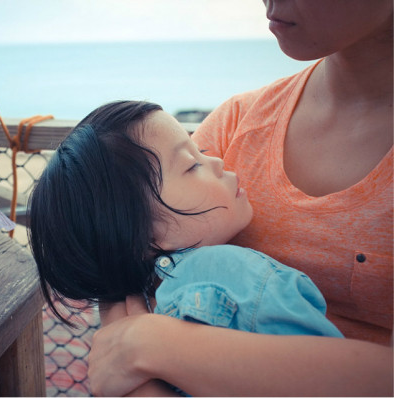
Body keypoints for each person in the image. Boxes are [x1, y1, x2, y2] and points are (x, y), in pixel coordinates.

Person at [86, 0, 393, 396]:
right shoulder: (235, 123)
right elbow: (126, 277)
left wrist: (155, 345)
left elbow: (129, 344)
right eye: (193, 165)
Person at [30, 100, 343, 395]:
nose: (218, 162)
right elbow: (332, 376)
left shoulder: (136, 302)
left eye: (202, 150)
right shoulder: (231, 276)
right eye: (193, 165)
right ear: (143, 235)